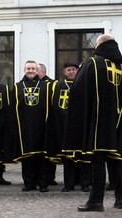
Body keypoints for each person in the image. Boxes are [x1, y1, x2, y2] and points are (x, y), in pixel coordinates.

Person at [63, 34, 122, 212]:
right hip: (117, 121)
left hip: (98, 122)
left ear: (100, 46)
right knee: (116, 160)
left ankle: (96, 201)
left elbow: (77, 89)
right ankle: (120, 199)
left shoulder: (94, 63)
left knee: (98, 160)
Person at [6, 60, 52, 192]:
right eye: (28, 68)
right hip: (24, 128)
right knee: (27, 158)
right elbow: (12, 108)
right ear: (24, 70)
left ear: (37, 71)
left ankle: (43, 184)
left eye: (33, 68)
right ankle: (29, 183)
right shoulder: (17, 87)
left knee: (42, 157)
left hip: (41, 126)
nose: (30, 71)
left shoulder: (45, 86)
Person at [47, 62, 91, 193]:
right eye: (68, 70)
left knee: (84, 157)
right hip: (65, 127)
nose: (71, 72)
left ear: (77, 71)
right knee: (68, 158)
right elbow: (55, 106)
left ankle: (85, 184)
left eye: (73, 69)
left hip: (81, 126)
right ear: (65, 72)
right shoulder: (59, 86)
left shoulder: (85, 84)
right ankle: (68, 184)